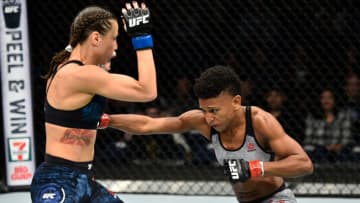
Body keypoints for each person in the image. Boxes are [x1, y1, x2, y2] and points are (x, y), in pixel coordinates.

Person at [101, 65, 314, 203]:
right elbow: (148, 124)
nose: (209, 118)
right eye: (204, 110)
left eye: (214, 111)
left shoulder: (260, 121)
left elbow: (304, 164)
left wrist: (256, 168)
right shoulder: (202, 121)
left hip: (276, 198)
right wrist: (107, 120)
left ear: (236, 101)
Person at [31, 2, 157, 203]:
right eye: (114, 39)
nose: (116, 47)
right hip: (59, 181)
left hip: (83, 179)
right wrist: (141, 38)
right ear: (96, 38)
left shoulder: (67, 67)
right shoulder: (81, 75)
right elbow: (148, 91)